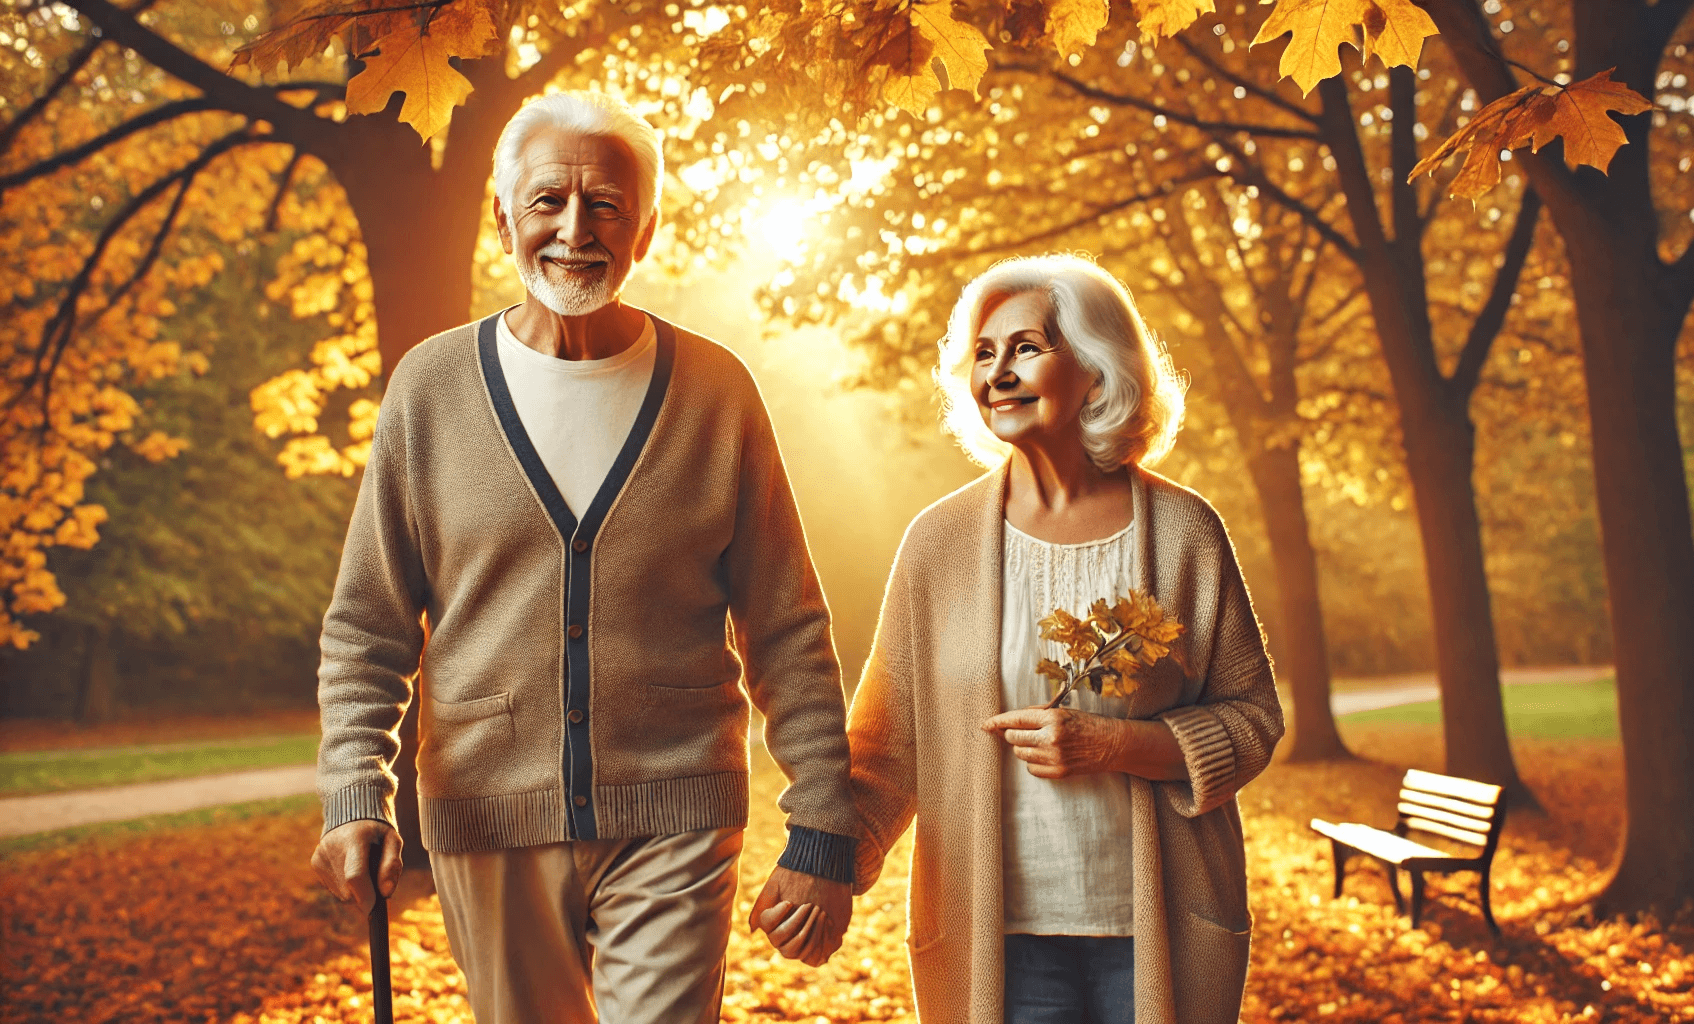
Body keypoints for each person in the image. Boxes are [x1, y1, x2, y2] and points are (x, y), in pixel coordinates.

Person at [307, 88, 858, 1024]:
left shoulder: (716, 392)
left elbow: (787, 623)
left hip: (677, 806)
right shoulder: (431, 388)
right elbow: (368, 621)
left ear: (644, 229)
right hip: (488, 811)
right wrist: (357, 787)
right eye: (547, 202)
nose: (574, 228)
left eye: (604, 204)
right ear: (502, 219)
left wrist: (824, 823)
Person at [836, 254, 1286, 1024]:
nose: (998, 373)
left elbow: (1251, 717)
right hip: (1000, 943)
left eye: (1027, 347)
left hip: (1155, 931)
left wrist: (1116, 747)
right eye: (984, 353)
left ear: (1096, 367)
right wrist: (824, 863)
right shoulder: (937, 544)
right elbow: (884, 750)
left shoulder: (1183, 533)